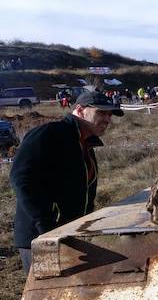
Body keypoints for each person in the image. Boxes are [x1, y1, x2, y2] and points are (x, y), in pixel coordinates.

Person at [10, 90, 123, 274]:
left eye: (110, 114)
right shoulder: (48, 134)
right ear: (79, 110)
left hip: (70, 234)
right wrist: (46, 228)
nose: (108, 119)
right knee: (45, 296)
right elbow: (21, 179)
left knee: (68, 294)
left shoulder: (85, 145)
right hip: (41, 238)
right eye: (101, 113)